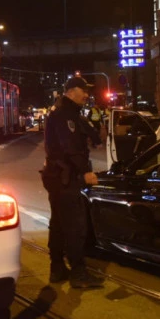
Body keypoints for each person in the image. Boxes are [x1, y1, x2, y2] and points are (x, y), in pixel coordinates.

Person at [41, 76, 104, 289]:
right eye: (83, 90)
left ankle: (57, 268)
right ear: (71, 91)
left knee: (59, 224)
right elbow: (71, 148)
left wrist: (95, 136)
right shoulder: (64, 114)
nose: (86, 95)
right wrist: (85, 171)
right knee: (75, 225)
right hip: (65, 177)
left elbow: (85, 132)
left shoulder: (68, 112)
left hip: (57, 176)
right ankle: (78, 272)